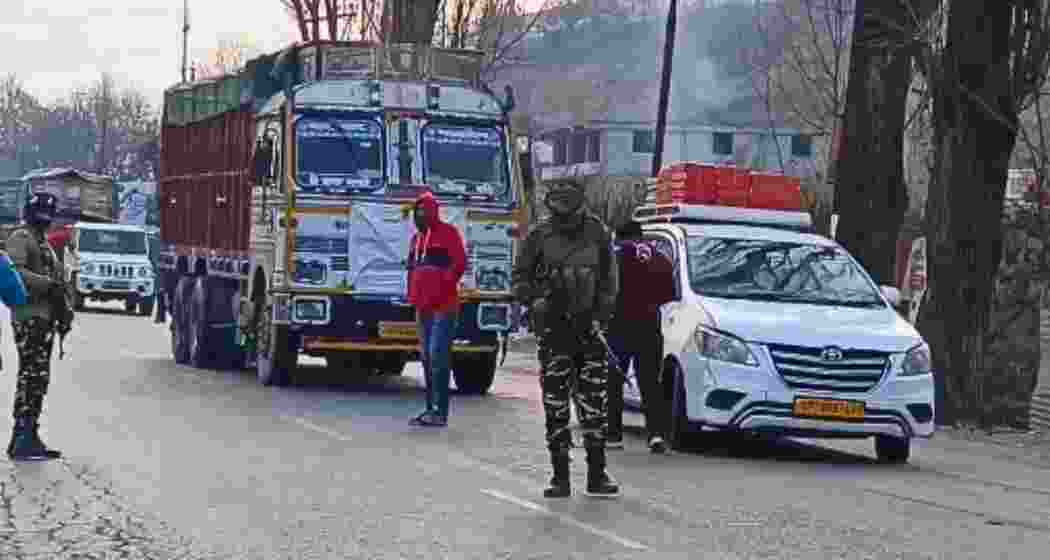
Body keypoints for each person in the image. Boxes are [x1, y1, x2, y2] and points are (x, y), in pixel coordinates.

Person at [512, 178, 620, 499]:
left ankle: (596, 475)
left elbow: (610, 282)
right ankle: (560, 476)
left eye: (568, 208)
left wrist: (599, 317)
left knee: (594, 405)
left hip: (589, 332)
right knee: (555, 405)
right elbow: (519, 279)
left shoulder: (598, 233)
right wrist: (538, 301)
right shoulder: (538, 236)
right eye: (558, 209)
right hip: (554, 331)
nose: (564, 217)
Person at [5, 192, 73, 460]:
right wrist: (49, 286)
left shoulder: (42, 241)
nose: (46, 219)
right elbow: (16, 272)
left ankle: (28, 435)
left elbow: (55, 278)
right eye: (41, 214)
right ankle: (22, 436)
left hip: (44, 320)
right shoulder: (21, 238)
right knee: (31, 377)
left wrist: (64, 309)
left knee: (39, 378)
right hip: (28, 318)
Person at [606, 221, 675, 454]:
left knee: (614, 381)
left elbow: (604, 287)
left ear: (619, 236)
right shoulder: (659, 256)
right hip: (649, 326)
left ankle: (613, 435)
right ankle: (656, 434)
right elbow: (669, 294)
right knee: (650, 383)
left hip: (618, 326)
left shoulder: (614, 255)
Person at [406, 190, 467, 427]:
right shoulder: (415, 240)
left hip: (444, 305)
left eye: (424, 210)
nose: (421, 214)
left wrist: (444, 284)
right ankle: (430, 408)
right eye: (417, 210)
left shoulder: (449, 234)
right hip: (423, 308)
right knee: (427, 359)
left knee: (438, 356)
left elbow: (460, 262)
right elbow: (412, 270)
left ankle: (440, 412)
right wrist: (412, 295)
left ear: (433, 211)